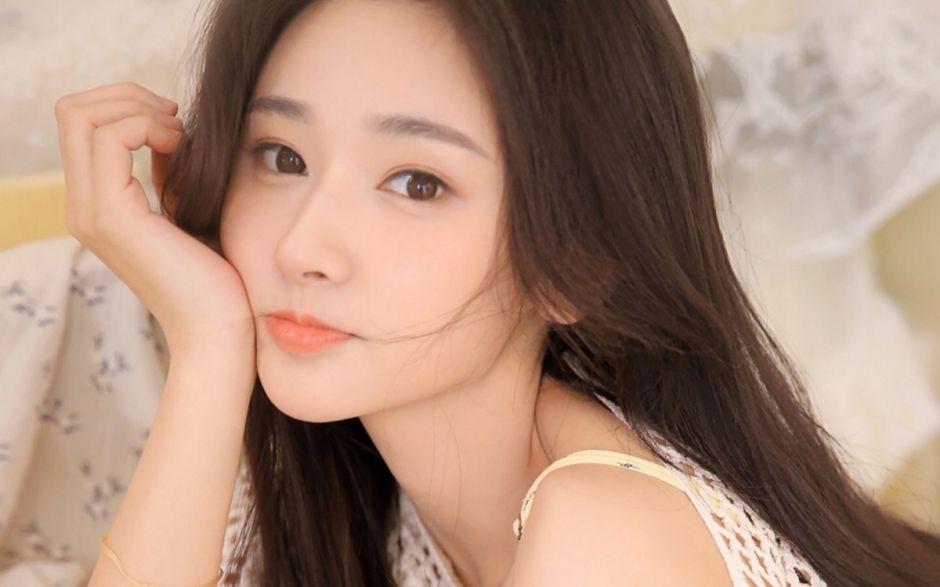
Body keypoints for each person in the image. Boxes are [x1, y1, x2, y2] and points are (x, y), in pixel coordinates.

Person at [53, 0, 940, 585]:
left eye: (418, 183)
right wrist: (209, 345)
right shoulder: (336, 466)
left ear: (573, 266)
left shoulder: (607, 535)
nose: (302, 246)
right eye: (282, 157)